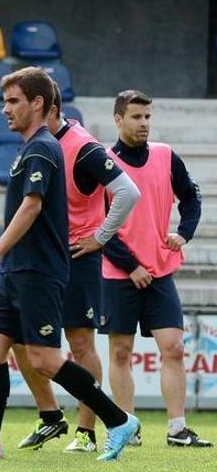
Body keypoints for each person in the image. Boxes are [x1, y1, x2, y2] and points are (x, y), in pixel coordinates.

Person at [0, 66, 140, 463]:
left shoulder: (43, 147)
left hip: (39, 269)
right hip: (18, 271)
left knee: (44, 357)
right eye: (4, 101)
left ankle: (117, 420)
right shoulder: (30, 146)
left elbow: (32, 205)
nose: (4, 109)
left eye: (13, 102)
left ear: (38, 103)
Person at [10, 81, 140, 453]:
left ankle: (87, 432)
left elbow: (129, 192)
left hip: (78, 256)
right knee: (19, 339)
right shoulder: (38, 144)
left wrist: (100, 237)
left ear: (46, 108)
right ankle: (50, 415)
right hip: (44, 256)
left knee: (80, 343)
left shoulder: (82, 146)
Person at [101, 90, 210, 448]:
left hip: (160, 270)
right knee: (120, 352)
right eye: (136, 117)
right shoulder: (102, 162)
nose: (144, 123)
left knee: (174, 347)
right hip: (118, 273)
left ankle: (177, 429)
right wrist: (130, 265)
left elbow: (192, 198)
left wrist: (183, 233)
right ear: (118, 120)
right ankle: (126, 427)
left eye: (147, 116)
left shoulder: (165, 156)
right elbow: (97, 225)